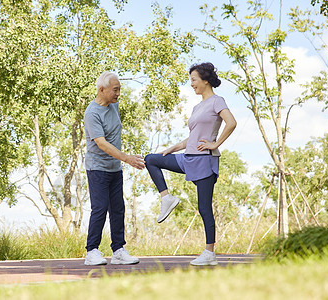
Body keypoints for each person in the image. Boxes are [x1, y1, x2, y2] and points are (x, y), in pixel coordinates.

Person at [144, 62, 237, 266]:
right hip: (188, 157)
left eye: (194, 80)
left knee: (204, 208)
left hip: (204, 160)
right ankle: (166, 199)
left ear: (205, 80)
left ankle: (209, 252)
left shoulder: (216, 101)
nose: (191, 84)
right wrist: (172, 148)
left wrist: (215, 143)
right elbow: (193, 137)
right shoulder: (197, 106)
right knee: (151, 159)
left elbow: (231, 123)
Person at [83, 71, 145, 266]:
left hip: (114, 168)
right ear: (101, 89)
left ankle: (118, 250)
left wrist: (121, 161)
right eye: (115, 90)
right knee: (100, 208)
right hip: (97, 168)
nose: (118, 94)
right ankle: (91, 251)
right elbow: (101, 143)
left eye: (119, 90)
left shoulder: (114, 106)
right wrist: (127, 158)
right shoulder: (91, 113)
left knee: (118, 209)